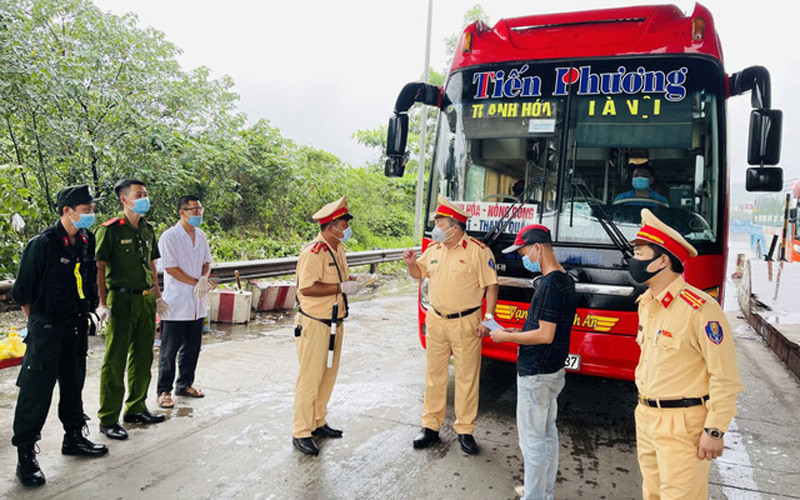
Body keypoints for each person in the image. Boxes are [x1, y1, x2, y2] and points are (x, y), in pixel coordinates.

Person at [628, 208, 742, 500]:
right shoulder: (647, 304)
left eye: (640, 254)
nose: (633, 261)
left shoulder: (701, 310)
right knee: (652, 494)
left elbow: (725, 375)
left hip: (683, 425)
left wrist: (715, 430)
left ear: (662, 260)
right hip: (647, 417)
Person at [11, 185, 109, 487]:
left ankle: (74, 437)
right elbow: (23, 292)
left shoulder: (85, 239)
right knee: (36, 392)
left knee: (73, 383)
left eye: (92, 210)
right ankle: (26, 456)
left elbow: (88, 276)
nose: (91, 215)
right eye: (86, 210)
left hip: (76, 325)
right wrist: (41, 325)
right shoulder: (42, 244)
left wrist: (95, 308)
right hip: (47, 329)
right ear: (68, 211)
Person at [402, 195, 499, 455]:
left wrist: (488, 320)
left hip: (466, 322)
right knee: (434, 376)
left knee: (467, 378)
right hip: (437, 320)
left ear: (455, 227)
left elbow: (491, 286)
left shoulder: (478, 251)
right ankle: (430, 427)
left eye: (440, 223)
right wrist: (412, 265)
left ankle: (465, 430)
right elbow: (418, 274)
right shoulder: (433, 250)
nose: (436, 228)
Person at [490, 224, 576, 500]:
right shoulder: (566, 280)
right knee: (547, 435)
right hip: (552, 371)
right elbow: (545, 327)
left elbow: (545, 334)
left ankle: (535, 496)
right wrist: (517, 331)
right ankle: (542, 492)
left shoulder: (549, 285)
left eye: (524, 251)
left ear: (538, 248)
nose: (522, 258)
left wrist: (505, 337)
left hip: (536, 373)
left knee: (532, 442)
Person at [292, 196, 369, 456]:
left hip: (336, 321)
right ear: (329, 227)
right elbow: (307, 287)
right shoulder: (313, 252)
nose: (347, 229)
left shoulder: (337, 248)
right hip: (315, 323)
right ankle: (301, 431)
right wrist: (341, 287)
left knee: (328, 374)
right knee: (310, 377)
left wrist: (357, 278)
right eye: (343, 224)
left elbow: (340, 275)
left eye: (346, 223)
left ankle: (317, 421)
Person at [95, 179, 167, 440]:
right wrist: (102, 304)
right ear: (124, 200)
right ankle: (108, 418)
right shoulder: (111, 230)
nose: (145, 197)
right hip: (122, 300)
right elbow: (99, 268)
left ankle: (136, 407)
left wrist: (158, 296)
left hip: (146, 299)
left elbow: (151, 263)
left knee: (143, 356)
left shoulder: (147, 229)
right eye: (139, 194)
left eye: (146, 193)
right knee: (115, 359)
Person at [155, 195, 213, 409]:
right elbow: (170, 268)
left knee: (193, 347)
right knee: (169, 350)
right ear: (182, 212)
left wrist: (204, 278)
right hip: (177, 303)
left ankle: (185, 384)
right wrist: (196, 281)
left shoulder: (201, 235)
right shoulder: (170, 237)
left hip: (197, 304)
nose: (198, 214)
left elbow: (207, 261)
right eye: (194, 210)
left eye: (200, 209)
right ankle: (164, 390)